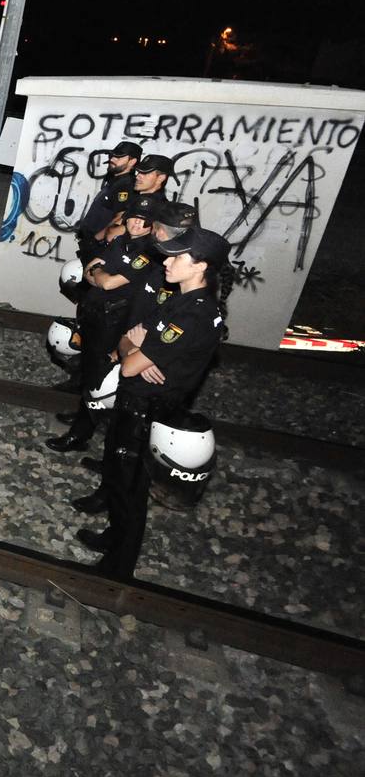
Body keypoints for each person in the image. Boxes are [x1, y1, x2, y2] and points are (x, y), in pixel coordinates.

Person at [76, 223, 231, 580]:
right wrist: (135, 346)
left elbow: (129, 362)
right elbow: (133, 342)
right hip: (138, 405)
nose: (167, 261)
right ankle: (113, 538)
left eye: (179, 256)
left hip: (146, 412)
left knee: (131, 493)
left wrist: (134, 347)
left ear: (201, 266)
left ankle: (118, 568)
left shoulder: (192, 315)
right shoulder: (182, 298)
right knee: (118, 480)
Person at [48, 193, 164, 455]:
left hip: (114, 322)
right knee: (90, 372)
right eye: (134, 217)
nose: (137, 224)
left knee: (99, 377)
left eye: (144, 221)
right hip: (96, 315)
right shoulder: (120, 242)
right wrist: (100, 275)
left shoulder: (146, 253)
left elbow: (107, 281)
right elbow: (90, 270)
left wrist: (100, 275)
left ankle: (80, 434)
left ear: (153, 225)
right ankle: (84, 416)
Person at [76, 142, 142, 258]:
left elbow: (120, 218)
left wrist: (94, 241)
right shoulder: (116, 181)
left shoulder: (126, 186)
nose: (112, 159)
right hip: (93, 243)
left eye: (118, 157)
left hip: (100, 247)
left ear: (132, 162)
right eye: (112, 155)